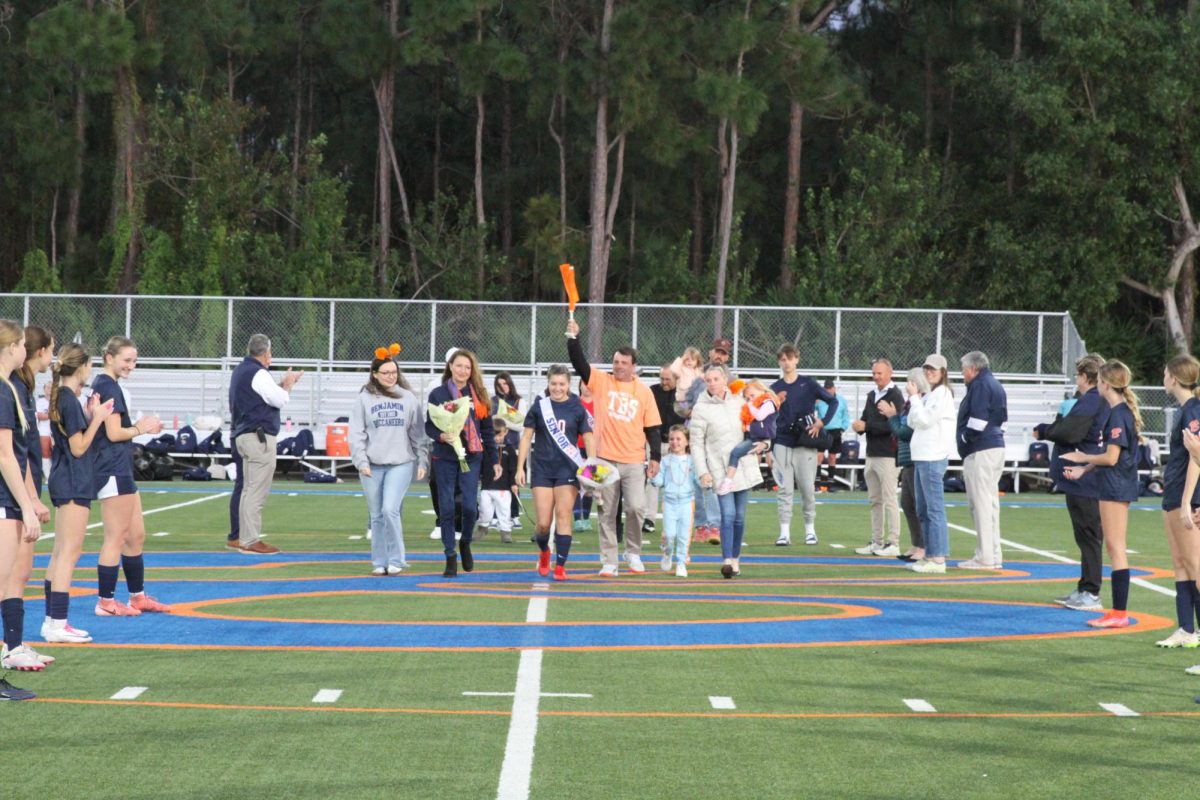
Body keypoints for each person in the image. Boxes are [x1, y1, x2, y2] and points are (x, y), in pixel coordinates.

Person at [565, 318, 661, 576]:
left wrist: (656, 458)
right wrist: (573, 338)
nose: (618, 366)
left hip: (633, 460)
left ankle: (633, 553)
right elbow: (579, 364)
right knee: (606, 511)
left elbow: (652, 428)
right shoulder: (601, 381)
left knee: (636, 508)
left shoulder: (644, 392)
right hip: (604, 459)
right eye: (616, 362)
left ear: (633, 367)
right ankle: (609, 559)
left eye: (624, 363)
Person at [91, 335, 169, 617]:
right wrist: (141, 428)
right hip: (111, 468)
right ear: (109, 357)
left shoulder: (110, 384)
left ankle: (137, 597)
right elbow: (113, 432)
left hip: (121, 466)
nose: (131, 366)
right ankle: (105, 601)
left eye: (134, 360)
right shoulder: (107, 385)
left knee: (136, 535)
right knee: (116, 536)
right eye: (127, 360)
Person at [1060, 360, 1142, 628]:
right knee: (1112, 547)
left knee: (1116, 548)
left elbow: (1111, 456)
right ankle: (1118, 611)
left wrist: (1083, 456)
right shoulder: (1117, 411)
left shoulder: (1118, 413)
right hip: (1112, 483)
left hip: (1116, 485)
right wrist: (1085, 469)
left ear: (1106, 384)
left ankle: (1119, 613)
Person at [42, 343, 112, 642]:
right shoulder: (67, 399)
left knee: (60, 552)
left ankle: (52, 621)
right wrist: (97, 418)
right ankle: (57, 623)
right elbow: (78, 447)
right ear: (81, 367)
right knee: (68, 553)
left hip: (67, 477)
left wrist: (88, 415)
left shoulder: (65, 397)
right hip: (72, 479)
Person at [1033, 354, 1109, 612]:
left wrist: (1046, 431)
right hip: (1082, 480)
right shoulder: (1091, 400)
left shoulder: (1091, 399)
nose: (1076, 380)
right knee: (1085, 535)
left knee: (1088, 535)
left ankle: (1091, 591)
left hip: (1085, 480)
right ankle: (1085, 586)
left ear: (1086, 377)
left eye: (1078, 375)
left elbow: (1070, 431)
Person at [349, 351, 428, 576]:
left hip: (401, 463)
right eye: (386, 373)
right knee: (376, 515)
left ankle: (397, 559)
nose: (391, 376)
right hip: (371, 465)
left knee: (389, 509)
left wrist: (422, 459)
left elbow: (418, 433)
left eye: (394, 372)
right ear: (374, 374)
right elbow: (356, 433)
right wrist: (360, 461)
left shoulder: (408, 398)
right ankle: (379, 561)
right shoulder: (364, 399)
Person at [0, 320, 48, 678]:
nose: (24, 351)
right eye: (20, 345)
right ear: (11, 347)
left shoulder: (9, 389)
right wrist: (28, 507)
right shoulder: (4, 390)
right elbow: (5, 455)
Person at [426, 348, 500, 577]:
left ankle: (465, 542)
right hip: (445, 458)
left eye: (467, 367)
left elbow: (487, 432)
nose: (463, 370)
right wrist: (441, 436)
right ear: (450, 366)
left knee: (470, 507)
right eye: (459, 365)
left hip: (472, 457)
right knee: (446, 508)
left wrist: (495, 460)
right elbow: (429, 425)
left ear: (472, 371)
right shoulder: (438, 394)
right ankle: (450, 554)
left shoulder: (479, 395)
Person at [516, 364, 593, 580]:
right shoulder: (539, 407)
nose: (557, 388)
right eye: (553, 384)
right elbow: (525, 438)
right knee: (542, 524)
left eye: (562, 384)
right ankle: (544, 552)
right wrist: (520, 467)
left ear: (568, 385)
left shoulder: (577, 408)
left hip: (567, 469)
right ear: (548, 384)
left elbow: (588, 437)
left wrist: (592, 465)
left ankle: (560, 566)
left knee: (563, 516)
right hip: (542, 470)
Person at [227, 334, 302, 556]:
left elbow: (263, 395)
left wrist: (282, 385)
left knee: (247, 489)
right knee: (256, 491)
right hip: (257, 437)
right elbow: (279, 399)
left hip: (243, 434)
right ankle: (250, 540)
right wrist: (287, 386)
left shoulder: (242, 370)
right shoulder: (258, 373)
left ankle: (241, 537)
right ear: (267, 353)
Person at [1150, 355, 1200, 649]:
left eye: (1166, 372)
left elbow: (1197, 459)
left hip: (1186, 497)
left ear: (1175, 378)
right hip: (1174, 494)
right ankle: (1186, 629)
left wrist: (1186, 502)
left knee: (1196, 567)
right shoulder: (1184, 410)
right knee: (1180, 564)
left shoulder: (1193, 411)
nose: (1163, 376)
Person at [691, 364, 760, 578]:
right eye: (708, 380)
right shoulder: (700, 408)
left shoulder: (739, 401)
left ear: (724, 379)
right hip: (719, 469)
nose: (712, 383)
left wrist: (763, 444)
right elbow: (696, 442)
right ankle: (727, 560)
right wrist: (702, 471)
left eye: (716, 379)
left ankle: (736, 558)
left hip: (742, 464)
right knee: (727, 515)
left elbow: (755, 426)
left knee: (739, 517)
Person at [13, 326, 54, 653]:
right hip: (11, 496)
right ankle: (12, 646)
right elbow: (15, 453)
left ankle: (13, 644)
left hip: (16, 494)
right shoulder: (12, 387)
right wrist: (31, 500)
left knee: (19, 572)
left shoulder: (22, 386)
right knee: (15, 572)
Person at [771, 344, 836, 546]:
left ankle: (810, 530)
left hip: (804, 442)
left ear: (797, 359)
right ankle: (784, 532)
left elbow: (833, 402)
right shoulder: (774, 388)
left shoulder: (808, 384)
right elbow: (768, 417)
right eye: (782, 359)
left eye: (790, 358)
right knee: (784, 488)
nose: (786, 362)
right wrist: (768, 446)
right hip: (781, 441)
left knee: (807, 488)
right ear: (779, 362)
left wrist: (822, 422)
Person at [896, 355, 956, 574]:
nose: (929, 372)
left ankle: (938, 558)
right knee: (922, 508)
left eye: (934, 369)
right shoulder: (931, 394)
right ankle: (930, 554)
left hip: (932, 456)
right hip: (921, 456)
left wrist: (914, 399)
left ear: (943, 372)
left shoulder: (942, 394)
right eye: (927, 368)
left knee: (934, 509)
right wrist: (916, 401)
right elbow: (913, 420)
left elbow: (923, 420)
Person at [956, 351, 1009, 569]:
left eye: (963, 370)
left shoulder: (980, 385)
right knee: (989, 503)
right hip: (995, 446)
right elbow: (1002, 418)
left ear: (972, 369)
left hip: (982, 448)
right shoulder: (995, 384)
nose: (962, 374)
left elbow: (978, 418)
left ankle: (985, 556)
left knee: (980, 504)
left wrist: (965, 437)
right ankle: (993, 554)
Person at [852, 358, 904, 556]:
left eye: (879, 373)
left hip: (888, 454)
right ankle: (876, 541)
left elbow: (895, 425)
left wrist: (868, 426)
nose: (876, 377)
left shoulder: (896, 396)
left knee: (890, 499)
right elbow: (867, 418)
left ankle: (893, 543)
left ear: (889, 373)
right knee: (875, 499)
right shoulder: (872, 395)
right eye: (874, 373)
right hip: (872, 452)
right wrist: (859, 426)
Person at [879, 368, 927, 562]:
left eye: (909, 382)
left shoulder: (919, 403)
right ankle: (916, 544)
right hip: (907, 459)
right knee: (907, 504)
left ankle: (923, 546)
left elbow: (905, 432)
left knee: (917, 505)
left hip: (915, 459)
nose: (906, 385)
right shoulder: (909, 405)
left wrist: (892, 416)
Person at [644, 364, 684, 536]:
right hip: (655, 442)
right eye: (662, 378)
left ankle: (676, 519)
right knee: (652, 479)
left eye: (668, 379)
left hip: (677, 442)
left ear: (676, 379)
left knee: (677, 480)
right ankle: (649, 518)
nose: (664, 382)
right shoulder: (652, 391)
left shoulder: (682, 394)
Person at [650, 424, 694, 577]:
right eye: (672, 439)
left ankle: (681, 562)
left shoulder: (692, 461)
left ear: (687, 441)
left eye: (679, 439)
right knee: (669, 534)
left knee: (683, 535)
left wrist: (705, 482)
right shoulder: (666, 460)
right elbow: (660, 480)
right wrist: (653, 478)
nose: (675, 442)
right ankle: (667, 552)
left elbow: (697, 480)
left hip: (686, 503)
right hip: (669, 502)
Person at [719, 380, 777, 495]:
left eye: (752, 395)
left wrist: (749, 405)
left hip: (758, 438)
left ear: (762, 391)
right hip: (751, 436)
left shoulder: (768, 403)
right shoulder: (754, 405)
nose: (750, 399)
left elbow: (760, 416)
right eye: (747, 397)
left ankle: (727, 481)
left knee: (735, 453)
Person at [492, 372, 524, 530]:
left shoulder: (519, 400)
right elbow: (489, 422)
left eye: (505, 383)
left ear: (510, 383)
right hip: (495, 447)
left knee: (514, 481)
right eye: (499, 384)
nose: (502, 387)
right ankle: (494, 516)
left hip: (513, 446)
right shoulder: (493, 401)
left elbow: (522, 425)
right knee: (496, 480)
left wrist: (505, 422)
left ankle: (515, 515)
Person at [477, 418, 518, 543]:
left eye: (499, 435)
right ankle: (482, 529)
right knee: (484, 509)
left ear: (505, 432)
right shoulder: (484, 447)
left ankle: (505, 532)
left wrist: (514, 483)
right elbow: (480, 465)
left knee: (504, 510)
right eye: (494, 435)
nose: (497, 438)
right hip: (487, 486)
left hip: (503, 488)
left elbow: (513, 468)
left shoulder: (510, 449)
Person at [815, 379, 850, 483]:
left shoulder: (841, 400)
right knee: (819, 455)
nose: (828, 391)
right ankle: (817, 481)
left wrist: (843, 427)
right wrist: (814, 402)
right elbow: (811, 410)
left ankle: (831, 482)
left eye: (830, 388)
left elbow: (845, 415)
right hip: (823, 430)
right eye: (826, 389)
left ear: (834, 388)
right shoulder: (820, 400)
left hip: (835, 431)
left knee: (832, 457)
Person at [573, 379, 596, 531]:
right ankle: (577, 519)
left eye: (590, 383)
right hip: (575, 449)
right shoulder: (575, 403)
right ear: (579, 385)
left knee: (589, 486)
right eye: (584, 383)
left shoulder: (600, 404)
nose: (586, 387)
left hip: (593, 450)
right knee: (575, 485)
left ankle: (587, 519)